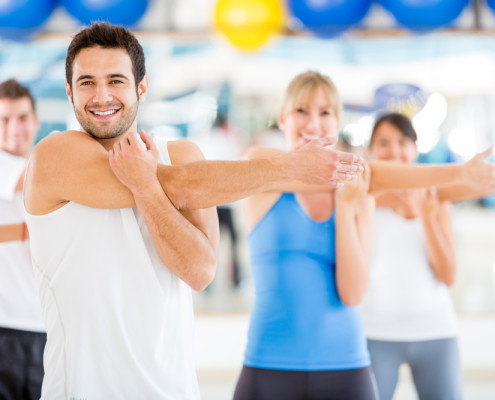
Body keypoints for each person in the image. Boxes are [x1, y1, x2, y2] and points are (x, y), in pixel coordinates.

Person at [22, 23, 364, 399]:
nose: (101, 95)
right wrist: (292, 167)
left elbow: (200, 271)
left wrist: (145, 184)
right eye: (86, 82)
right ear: (69, 90)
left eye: (116, 80)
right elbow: (183, 184)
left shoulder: (182, 155)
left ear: (142, 87)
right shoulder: (52, 156)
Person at [232, 71, 495, 400]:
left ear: (337, 122)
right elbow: (369, 173)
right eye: (301, 110)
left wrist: (346, 205)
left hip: (346, 367)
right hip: (267, 364)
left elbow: (353, 293)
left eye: (326, 112)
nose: (313, 122)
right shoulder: (260, 167)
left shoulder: (357, 192)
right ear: (283, 118)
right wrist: (457, 173)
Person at [359, 112, 463, 400]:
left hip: (436, 332)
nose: (394, 151)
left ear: (415, 149)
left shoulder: (436, 198)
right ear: (371, 150)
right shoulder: (360, 199)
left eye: (403, 142)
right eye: (384, 143)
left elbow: (448, 275)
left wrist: (427, 217)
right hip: (375, 332)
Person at [0, 79, 46, 400]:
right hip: (6, 328)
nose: (14, 128)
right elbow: (38, 181)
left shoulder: (39, 169)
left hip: (46, 329)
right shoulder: (13, 170)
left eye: (22, 118)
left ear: (36, 121)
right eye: (4, 119)